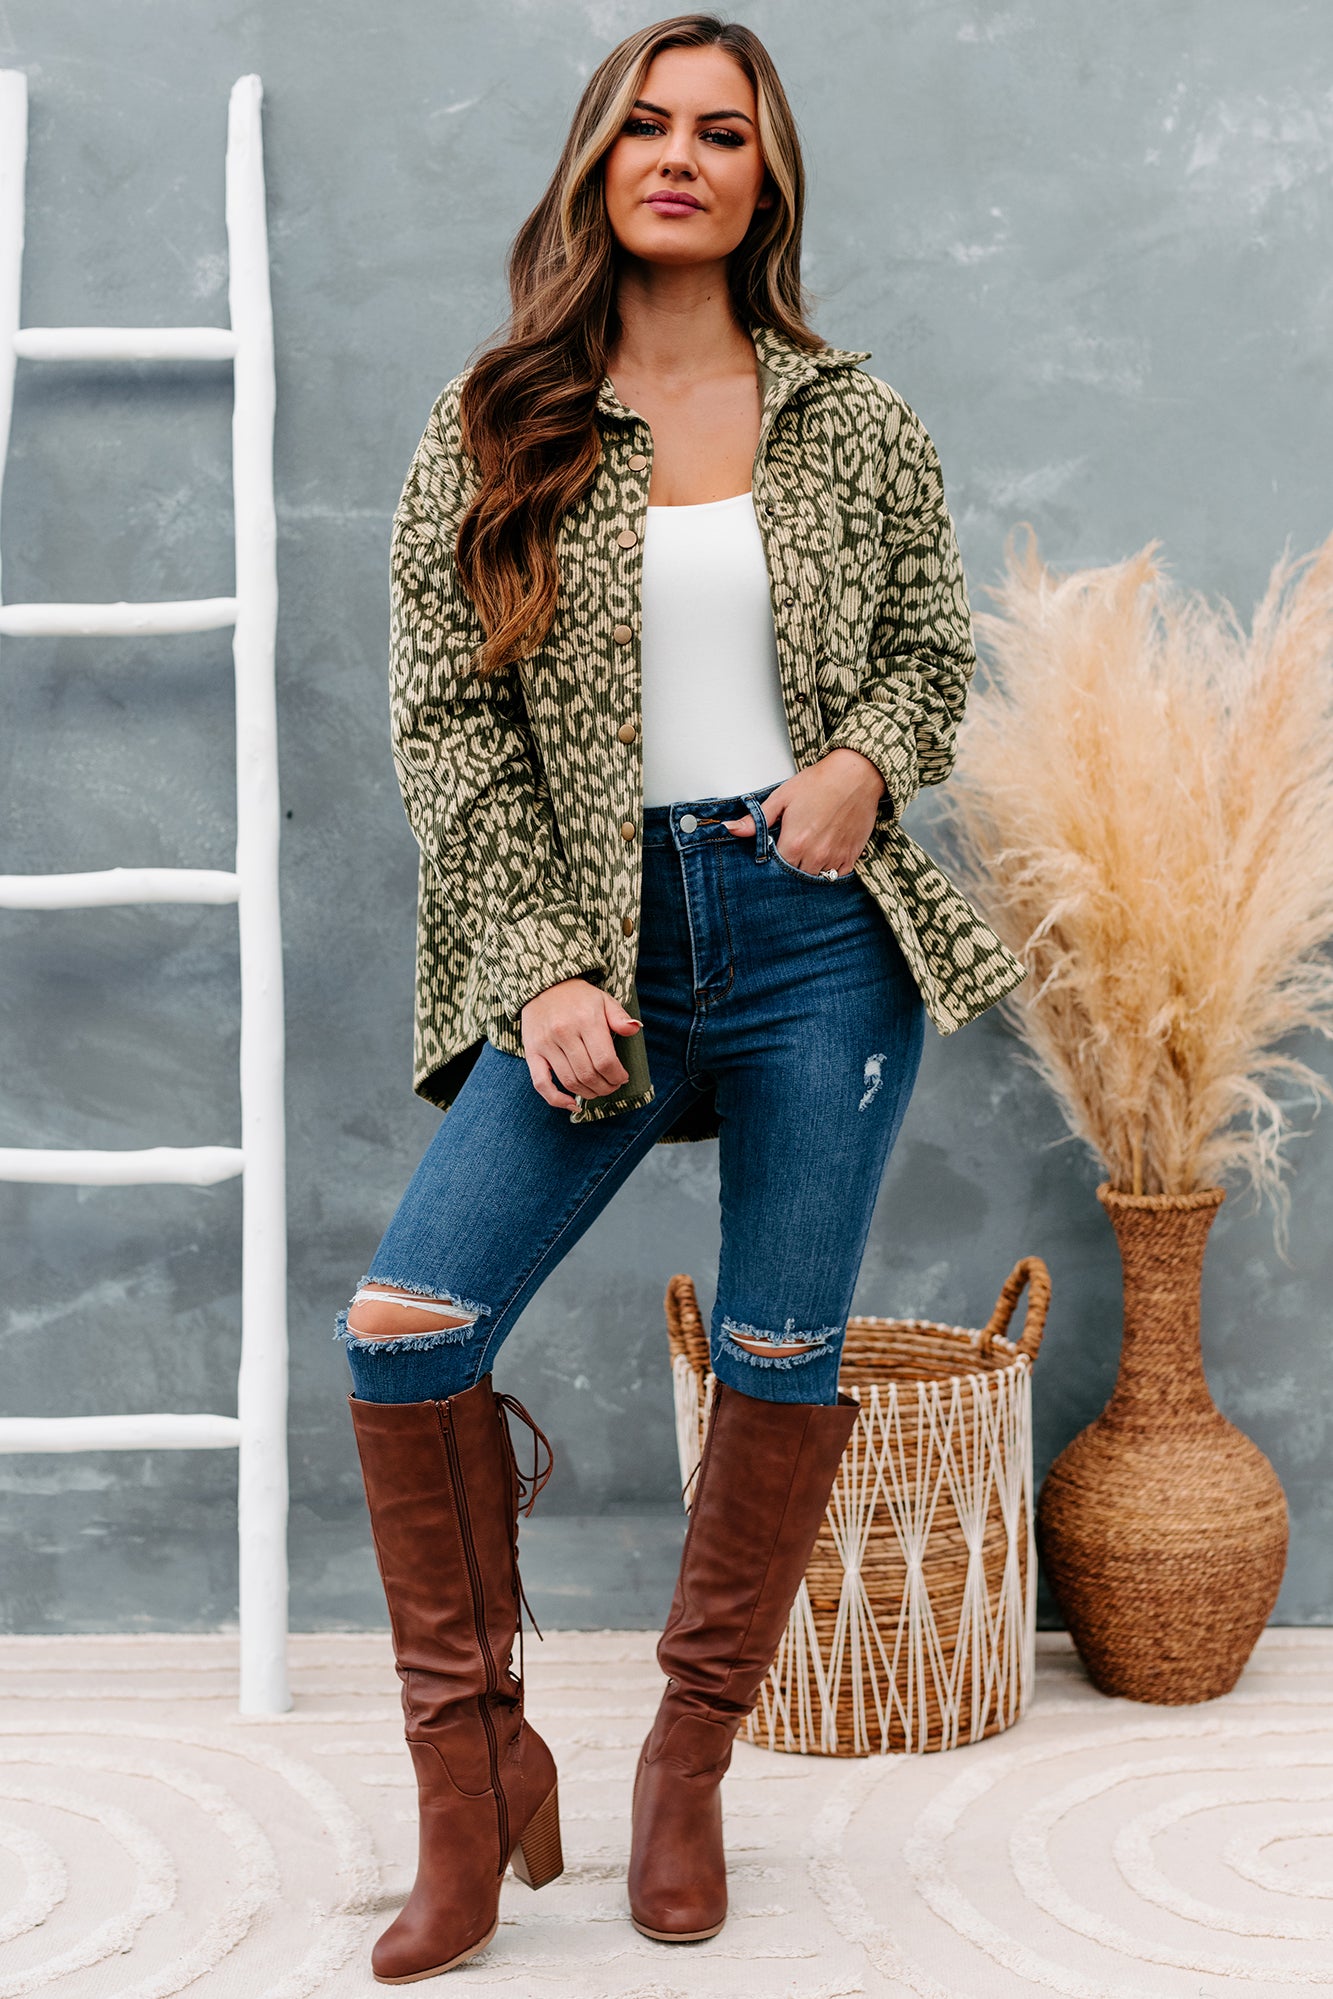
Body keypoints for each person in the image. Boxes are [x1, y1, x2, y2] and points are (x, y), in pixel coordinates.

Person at [336, 11, 1027, 1984]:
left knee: (778, 1347)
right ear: (596, 160)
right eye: (645, 124)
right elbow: (447, 729)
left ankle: (684, 1769)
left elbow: (929, 651)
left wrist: (865, 763)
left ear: (762, 179)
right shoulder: (497, 419)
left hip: (817, 940)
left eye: (722, 132)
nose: (679, 156)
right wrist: (541, 963)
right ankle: (474, 1778)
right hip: (595, 934)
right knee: (408, 1329)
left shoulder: (851, 418)